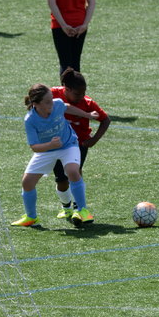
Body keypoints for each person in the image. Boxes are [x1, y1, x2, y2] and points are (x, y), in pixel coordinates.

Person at [12, 83, 99, 227]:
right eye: (47, 102)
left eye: (51, 99)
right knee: (27, 183)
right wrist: (50, 145)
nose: (51, 103)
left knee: (72, 171)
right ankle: (31, 217)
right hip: (47, 150)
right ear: (36, 104)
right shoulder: (30, 120)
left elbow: (67, 107)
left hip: (68, 144)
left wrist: (88, 115)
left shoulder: (57, 104)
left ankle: (83, 210)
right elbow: (34, 147)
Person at [51, 68, 110, 219]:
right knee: (61, 180)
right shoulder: (52, 94)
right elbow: (38, 101)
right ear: (66, 89)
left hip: (79, 144)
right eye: (78, 94)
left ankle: (80, 208)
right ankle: (66, 208)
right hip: (57, 145)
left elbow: (105, 120)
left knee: (75, 173)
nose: (82, 96)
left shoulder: (88, 103)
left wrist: (94, 139)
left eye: (84, 93)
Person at [43, 0, 96, 74]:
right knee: (76, 63)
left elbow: (52, 3)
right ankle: (78, 86)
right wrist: (85, 24)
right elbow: (92, 2)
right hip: (80, 23)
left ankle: (66, 87)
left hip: (60, 24)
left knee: (65, 64)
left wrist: (63, 25)